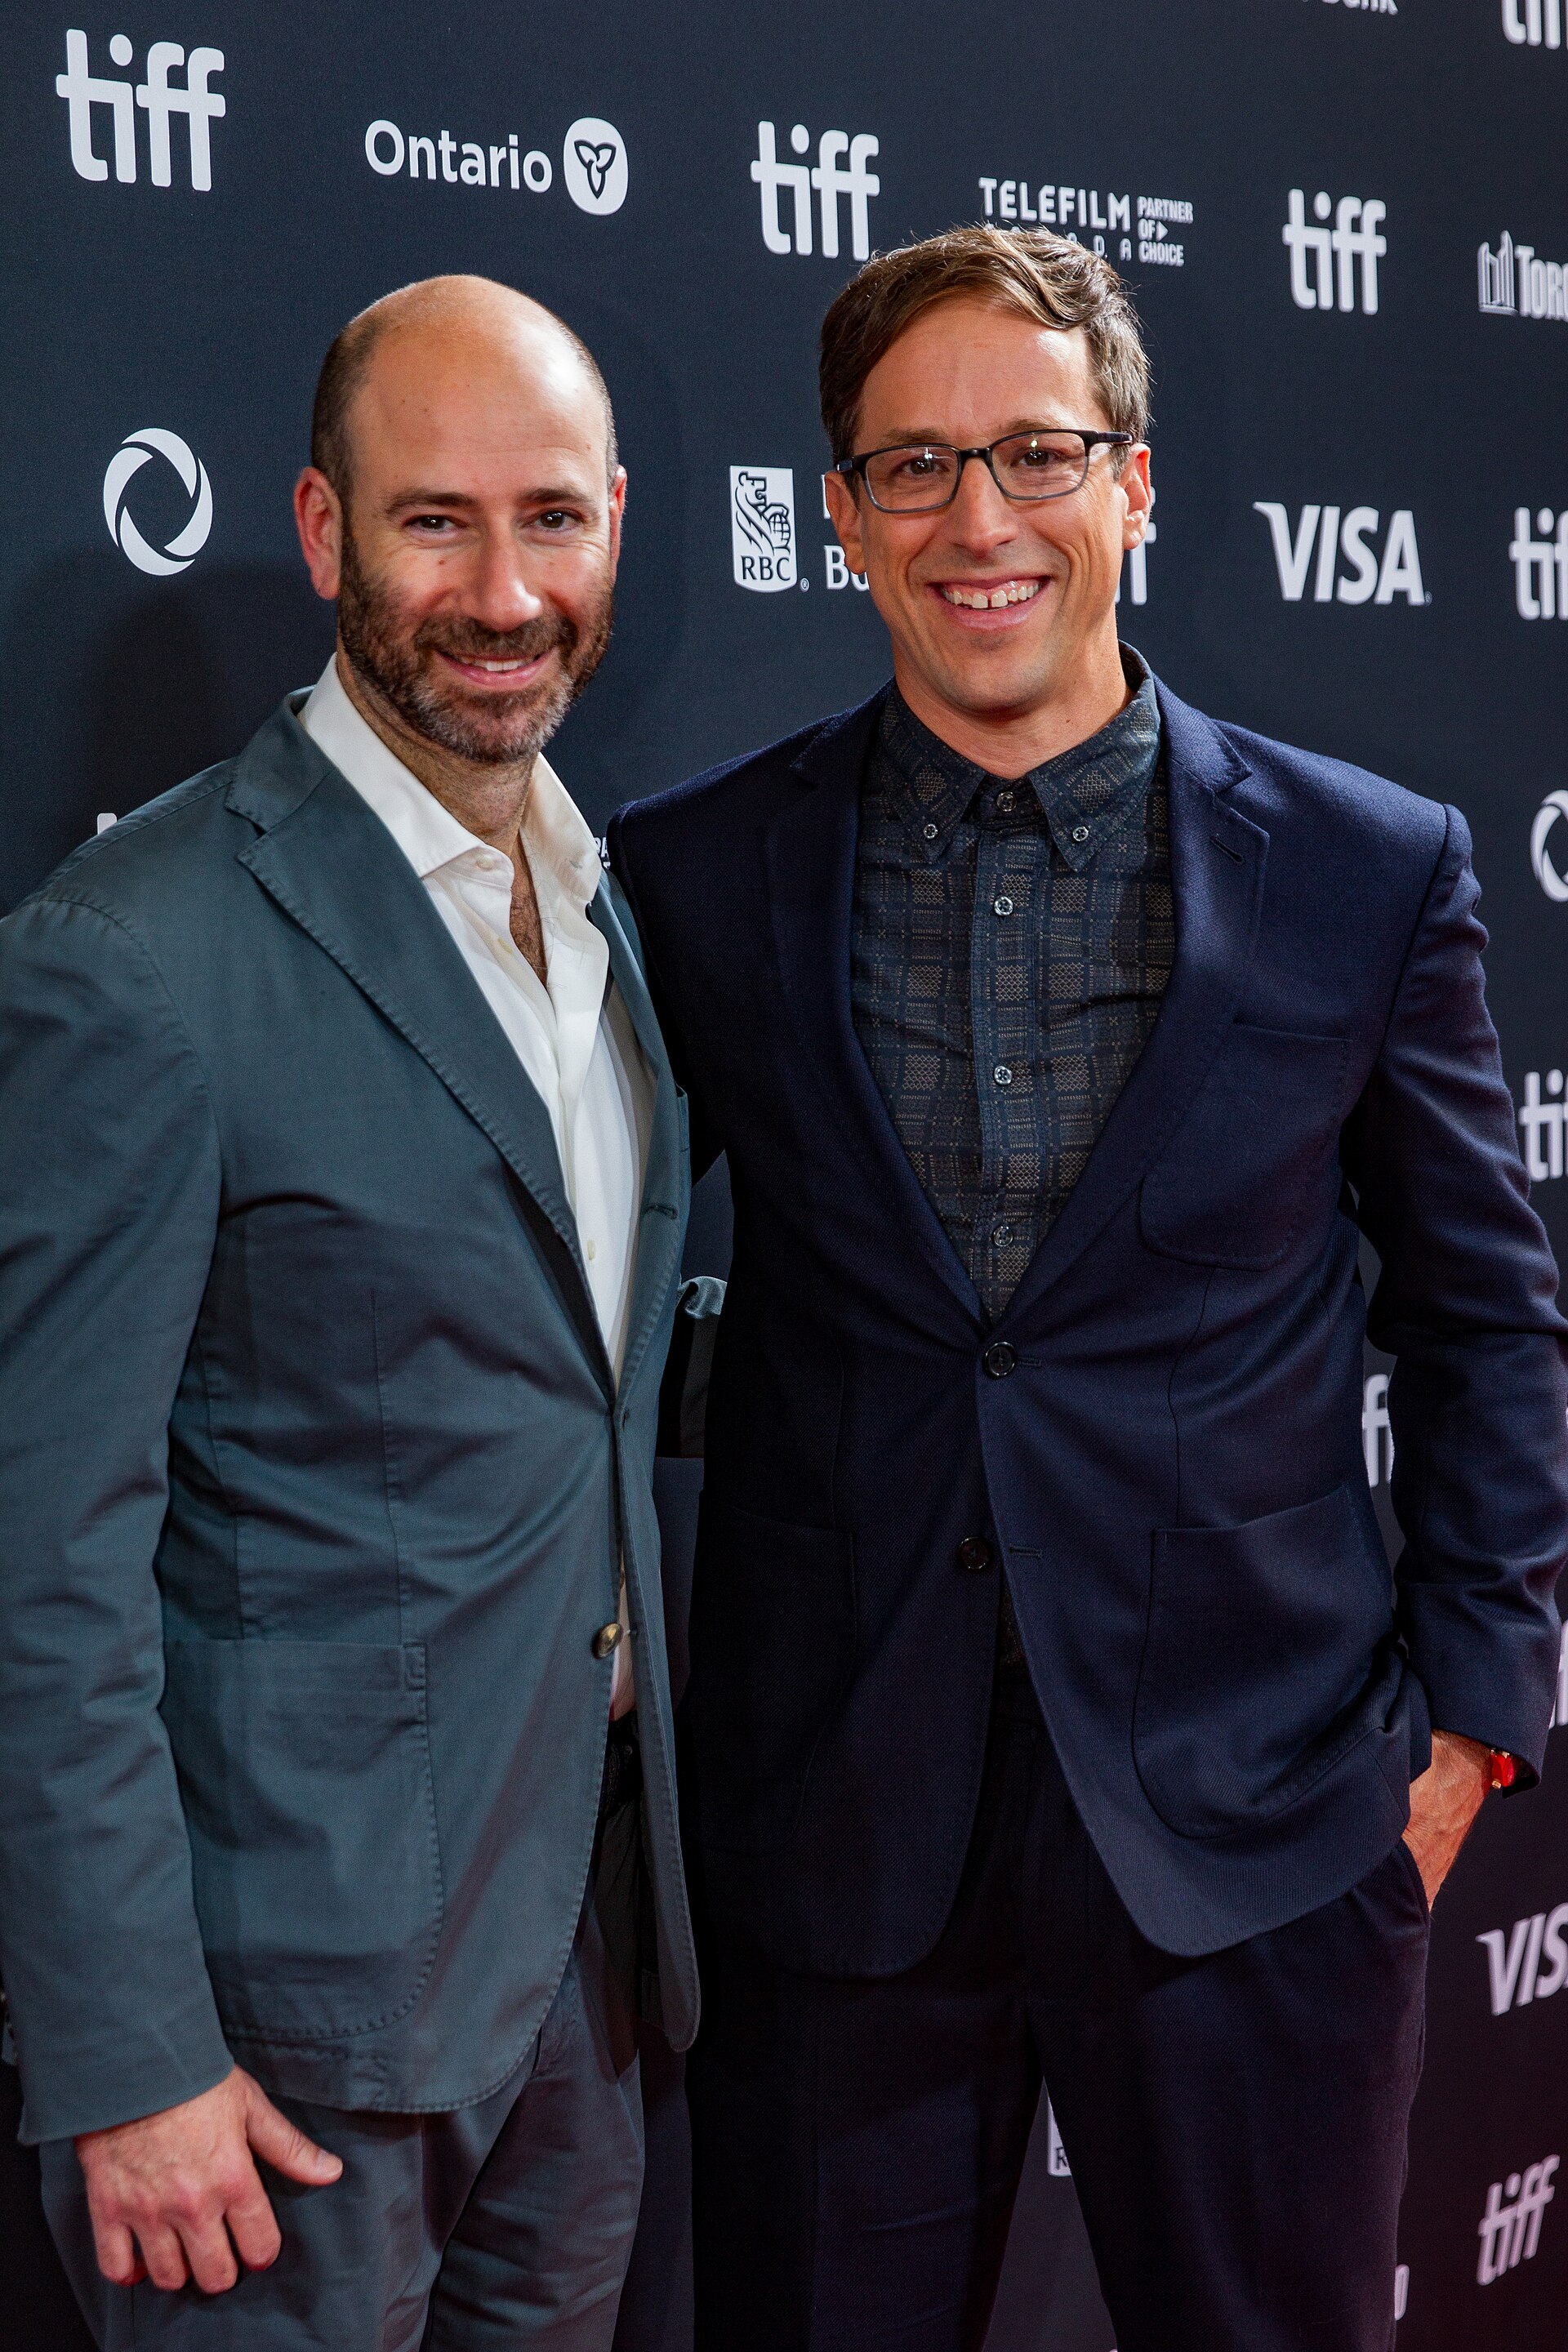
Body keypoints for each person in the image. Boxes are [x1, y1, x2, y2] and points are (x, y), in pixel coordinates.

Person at [608, 225, 1568, 2352]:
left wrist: (1473, 1736)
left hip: (1268, 1835)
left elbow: (1488, 1314)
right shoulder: (689, 871)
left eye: (1037, 455)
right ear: (839, 514)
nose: (981, 522)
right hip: (841, 1836)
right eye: (916, 466)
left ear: (1135, 484)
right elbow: (584, 1297)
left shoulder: (1363, 861)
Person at [0, 274, 703, 2350]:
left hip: (576, 1980)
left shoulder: (600, 912)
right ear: (321, 533)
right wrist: (123, 2054)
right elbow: (41, 1557)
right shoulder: (136, 960)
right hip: (268, 2047)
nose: (503, 592)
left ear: (618, 527)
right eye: (435, 523)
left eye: (553, 521)